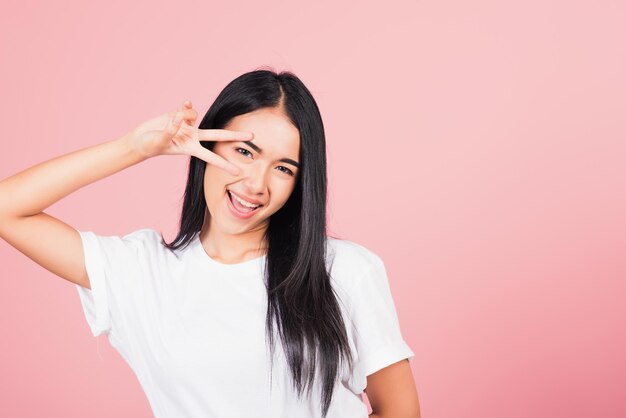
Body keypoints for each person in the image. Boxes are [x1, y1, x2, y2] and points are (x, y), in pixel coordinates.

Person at [0, 69, 420, 418]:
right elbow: (7, 209)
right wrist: (133, 148)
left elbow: (400, 412)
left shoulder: (343, 270)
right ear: (207, 144)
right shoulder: (144, 272)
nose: (255, 184)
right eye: (244, 151)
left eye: (284, 168)